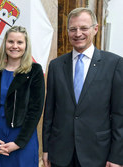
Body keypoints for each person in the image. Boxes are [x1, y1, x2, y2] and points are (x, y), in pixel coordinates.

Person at [42, 7, 123, 167]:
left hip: (97, 154)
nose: (78, 34)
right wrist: (46, 148)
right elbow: (49, 111)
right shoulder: (56, 65)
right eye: (73, 29)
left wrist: (117, 156)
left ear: (95, 29)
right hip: (60, 153)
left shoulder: (115, 64)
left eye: (84, 28)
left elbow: (119, 114)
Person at [0, 26, 45, 167]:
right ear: (5, 44)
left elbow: (35, 110)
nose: (15, 46)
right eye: (11, 42)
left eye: (20, 42)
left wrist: (19, 142)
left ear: (26, 45)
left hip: (23, 136)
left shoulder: (34, 71)